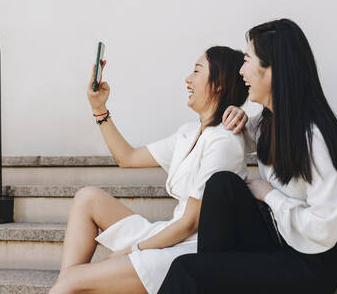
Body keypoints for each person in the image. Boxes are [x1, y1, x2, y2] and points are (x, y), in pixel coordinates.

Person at [158, 19, 337, 294]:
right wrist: (239, 116)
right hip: (278, 240)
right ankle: (212, 277)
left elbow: (326, 228)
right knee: (222, 184)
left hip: (311, 265)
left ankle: (208, 278)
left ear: (273, 70)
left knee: (187, 269)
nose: (241, 71)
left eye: (247, 60)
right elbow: (247, 136)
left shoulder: (315, 138)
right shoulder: (269, 121)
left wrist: (269, 195)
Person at [49, 46, 249, 294]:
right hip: (166, 234)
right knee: (86, 198)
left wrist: (132, 250)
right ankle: (70, 284)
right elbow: (127, 157)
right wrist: (98, 107)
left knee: (72, 281)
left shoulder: (224, 142)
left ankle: (70, 284)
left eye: (196, 72)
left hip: (187, 251)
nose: (187, 79)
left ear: (219, 83)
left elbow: (189, 225)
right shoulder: (188, 133)